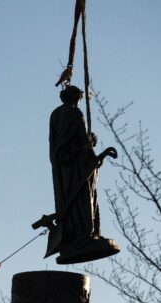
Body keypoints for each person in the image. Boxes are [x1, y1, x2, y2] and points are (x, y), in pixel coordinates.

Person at [48, 85, 117, 259]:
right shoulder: (75, 113)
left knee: (70, 196)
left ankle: (73, 236)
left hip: (63, 165)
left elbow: (56, 141)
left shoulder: (55, 114)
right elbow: (81, 139)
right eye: (79, 98)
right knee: (84, 198)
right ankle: (84, 236)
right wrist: (93, 154)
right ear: (76, 97)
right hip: (78, 164)